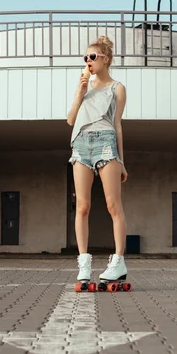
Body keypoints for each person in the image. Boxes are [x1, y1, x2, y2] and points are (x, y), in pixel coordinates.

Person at [67, 35, 128, 286]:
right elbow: (70, 120)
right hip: (81, 142)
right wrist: (80, 93)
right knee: (82, 206)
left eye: (93, 57)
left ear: (106, 59)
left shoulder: (117, 88)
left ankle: (119, 262)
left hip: (106, 143)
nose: (88, 61)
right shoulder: (84, 86)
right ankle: (84, 263)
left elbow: (118, 125)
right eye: (86, 58)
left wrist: (122, 160)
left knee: (113, 205)